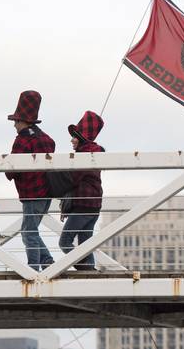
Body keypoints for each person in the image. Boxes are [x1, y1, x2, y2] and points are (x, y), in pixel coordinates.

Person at [5, 90, 56, 271]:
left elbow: (11, 170)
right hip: (47, 193)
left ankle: (34, 267)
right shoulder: (47, 139)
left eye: (15, 122)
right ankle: (48, 261)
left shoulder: (22, 141)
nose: (14, 126)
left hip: (30, 194)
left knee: (29, 233)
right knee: (30, 231)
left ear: (21, 121)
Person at [58, 110, 105, 271]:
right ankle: (90, 272)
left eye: (75, 136)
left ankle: (86, 269)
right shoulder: (94, 152)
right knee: (85, 244)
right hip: (94, 206)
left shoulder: (84, 154)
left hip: (83, 206)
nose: (71, 140)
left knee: (64, 242)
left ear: (82, 138)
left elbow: (72, 178)